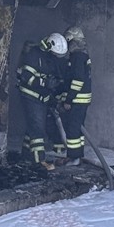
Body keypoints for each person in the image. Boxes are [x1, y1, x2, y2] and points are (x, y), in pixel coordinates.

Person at [15, 32, 68, 170]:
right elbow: (26, 76)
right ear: (49, 48)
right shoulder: (34, 55)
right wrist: (44, 83)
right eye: (56, 54)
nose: (57, 58)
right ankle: (39, 161)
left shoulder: (50, 58)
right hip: (30, 96)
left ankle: (26, 154)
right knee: (38, 130)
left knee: (34, 125)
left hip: (42, 97)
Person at [57, 25, 93, 166]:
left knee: (72, 128)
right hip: (82, 99)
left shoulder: (77, 56)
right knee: (78, 128)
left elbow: (77, 80)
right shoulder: (82, 55)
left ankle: (73, 158)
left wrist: (69, 99)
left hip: (77, 100)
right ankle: (78, 156)